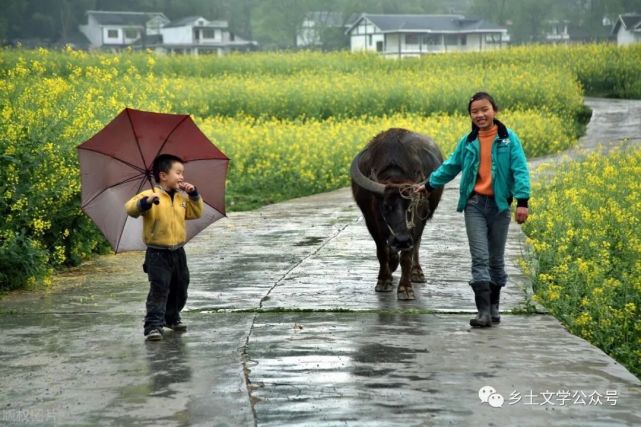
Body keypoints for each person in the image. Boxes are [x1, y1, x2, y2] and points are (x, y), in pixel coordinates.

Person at [414, 92, 530, 327]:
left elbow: (520, 169)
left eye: (484, 109)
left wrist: (523, 202)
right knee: (480, 258)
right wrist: (428, 184)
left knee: (496, 260)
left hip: (500, 206)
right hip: (475, 205)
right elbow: (451, 166)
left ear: (494, 110)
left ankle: (494, 307)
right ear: (471, 115)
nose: (480, 115)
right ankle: (483, 312)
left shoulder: (509, 140)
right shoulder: (468, 142)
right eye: (475, 111)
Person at [125, 154, 203, 340]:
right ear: (163, 175)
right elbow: (130, 209)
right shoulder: (149, 195)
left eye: (182, 173)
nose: (182, 177)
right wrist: (147, 202)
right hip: (157, 253)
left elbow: (196, 212)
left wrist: (193, 194)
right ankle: (153, 326)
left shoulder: (180, 198)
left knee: (180, 287)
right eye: (178, 173)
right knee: (159, 290)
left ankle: (171, 317)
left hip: (178, 251)